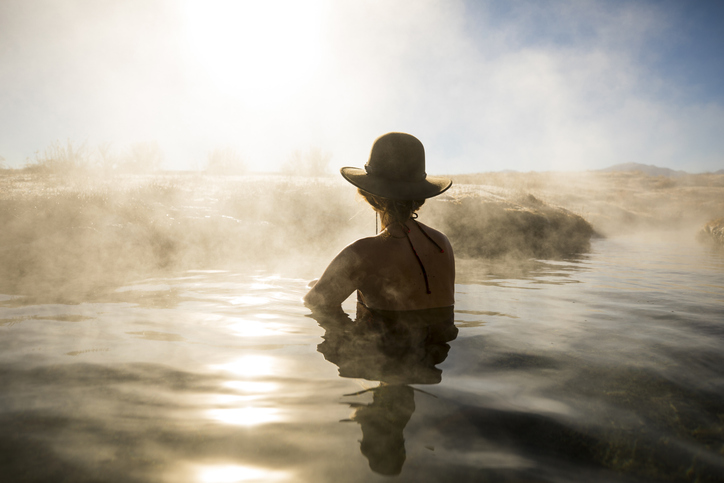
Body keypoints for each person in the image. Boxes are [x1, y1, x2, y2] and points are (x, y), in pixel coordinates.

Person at [303, 132, 455, 312]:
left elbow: (314, 303)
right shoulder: (441, 243)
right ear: (420, 195)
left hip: (383, 340)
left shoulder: (361, 253)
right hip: (442, 340)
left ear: (370, 196)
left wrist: (313, 286)